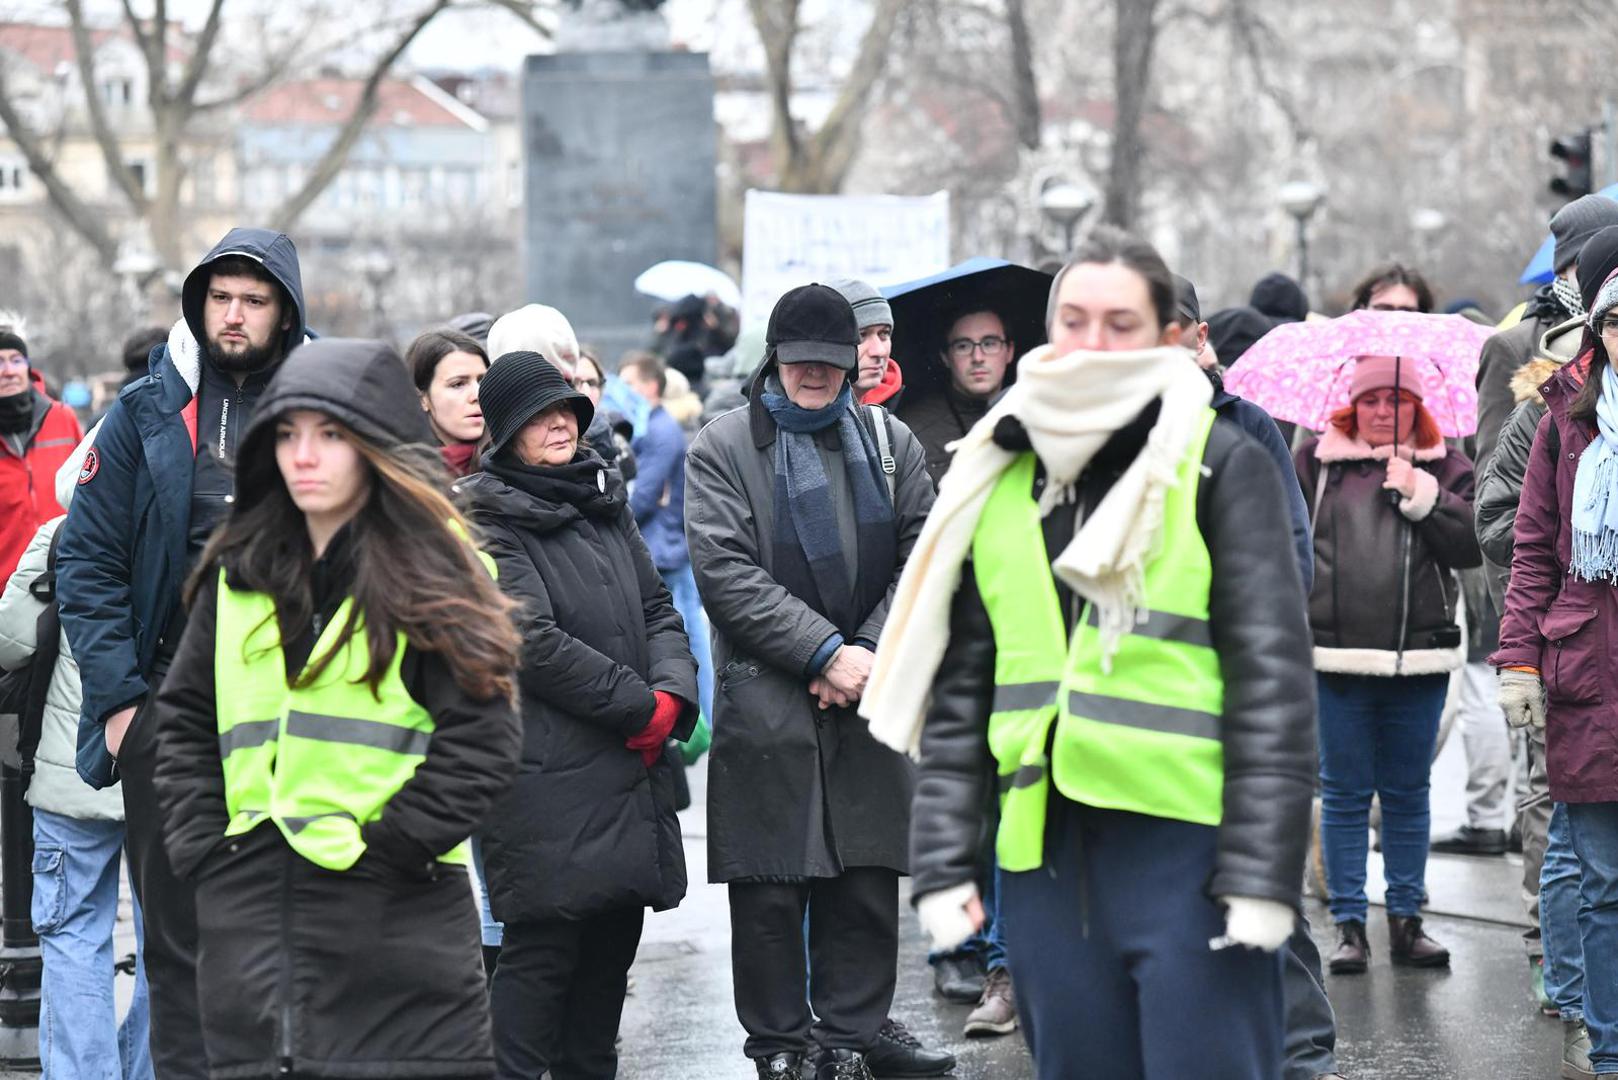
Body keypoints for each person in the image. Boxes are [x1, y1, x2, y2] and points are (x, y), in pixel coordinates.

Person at [867, 226, 1315, 1079]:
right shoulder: (995, 473)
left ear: (1168, 339)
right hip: (1044, 864)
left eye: (1120, 322)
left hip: (1192, 852)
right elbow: (966, 684)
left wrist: (1263, 873)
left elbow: (1274, 688)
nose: (1093, 342)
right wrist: (941, 857)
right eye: (1073, 321)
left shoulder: (1222, 463)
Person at [148, 338, 521, 1078]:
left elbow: (483, 740)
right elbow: (185, 718)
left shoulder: (438, 566)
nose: (303, 456)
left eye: (330, 435)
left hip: (397, 919)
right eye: (287, 434)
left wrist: (392, 848)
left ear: (375, 446)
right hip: (251, 909)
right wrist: (206, 848)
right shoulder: (238, 571)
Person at [57, 227, 307, 1079]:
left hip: (299, 714)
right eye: (220, 297)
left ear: (286, 311)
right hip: (170, 711)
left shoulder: (323, 413)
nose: (233, 315)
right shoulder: (144, 411)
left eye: (255, 299)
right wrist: (126, 708)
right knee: (175, 946)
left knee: (294, 943)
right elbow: (84, 564)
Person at [685, 284, 951, 1080]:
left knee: (866, 880)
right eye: (800, 361)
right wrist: (823, 653)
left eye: (830, 363)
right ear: (775, 359)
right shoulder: (723, 446)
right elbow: (724, 572)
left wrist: (864, 650)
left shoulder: (889, 441)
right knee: (771, 890)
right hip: (767, 690)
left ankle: (851, 1033)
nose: (814, 376)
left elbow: (924, 556)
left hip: (868, 687)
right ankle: (779, 1047)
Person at [459, 350, 697, 1079]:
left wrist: (672, 697)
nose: (559, 420)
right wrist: (639, 707)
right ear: (504, 432)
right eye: (538, 413)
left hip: (626, 772)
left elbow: (658, 607)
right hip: (545, 782)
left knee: (602, 989)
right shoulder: (483, 515)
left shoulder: (602, 498)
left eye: (566, 406)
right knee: (540, 973)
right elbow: (530, 637)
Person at [1178, 273, 1339, 1080]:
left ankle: (1302, 1052)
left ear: (1196, 336)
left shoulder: (1244, 428)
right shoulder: (1087, 434)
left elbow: (1291, 553)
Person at [1474, 195, 1618, 1008]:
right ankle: (1583, 1015)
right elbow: (1512, 532)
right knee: (1578, 849)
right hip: (1574, 656)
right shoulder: (1550, 402)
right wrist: (1523, 652)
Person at [1294, 356, 1480, 974]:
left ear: (1418, 407)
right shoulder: (1313, 466)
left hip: (1419, 657)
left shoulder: (1449, 466)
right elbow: (1287, 545)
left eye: (1397, 399)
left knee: (1407, 793)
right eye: (1370, 399)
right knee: (1343, 795)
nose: (1382, 410)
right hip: (1335, 656)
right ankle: (1350, 925)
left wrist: (1424, 497)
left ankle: (1406, 921)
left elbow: (1472, 546)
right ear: (1351, 406)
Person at [0, 456, 152, 1080]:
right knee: (165, 948)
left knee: (72, 938)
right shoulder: (189, 534)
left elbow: (9, 638)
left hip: (69, 776)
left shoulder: (62, 534)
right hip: (161, 772)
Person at [620, 353, 714, 731]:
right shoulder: (654, 428)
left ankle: (704, 721)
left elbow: (641, 498)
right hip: (669, 549)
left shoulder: (661, 432)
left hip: (667, 553)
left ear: (651, 387)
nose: (621, 394)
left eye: (629, 385)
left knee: (688, 644)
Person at [0, 318, 85, 582]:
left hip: (67, 579)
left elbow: (89, 490)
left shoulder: (62, 418)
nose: (9, 371)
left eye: (16, 360)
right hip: (6, 589)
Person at [898, 305, 1017, 488]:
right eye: (963, 346)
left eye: (989, 343)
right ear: (945, 357)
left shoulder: (1033, 416)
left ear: (1009, 351)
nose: (978, 357)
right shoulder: (912, 431)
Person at [409, 327, 489, 478]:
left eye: (483, 381)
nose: (478, 395)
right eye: (458, 384)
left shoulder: (519, 462)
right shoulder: (400, 477)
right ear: (422, 399)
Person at [829, 279, 903, 408]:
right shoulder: (787, 421)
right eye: (861, 335)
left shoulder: (906, 413)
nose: (879, 351)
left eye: (884, 333)